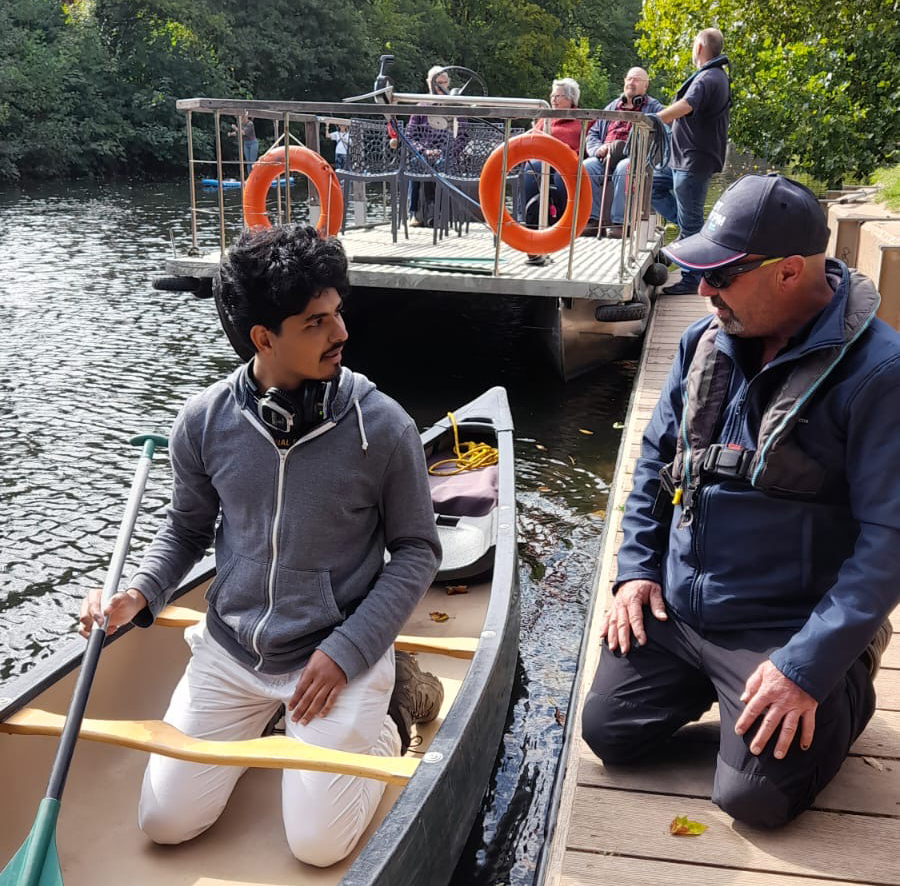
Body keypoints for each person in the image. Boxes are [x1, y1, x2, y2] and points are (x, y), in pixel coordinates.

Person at [80, 225, 444, 865]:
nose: (341, 334)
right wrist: (138, 591)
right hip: (231, 650)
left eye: (337, 313)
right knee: (163, 822)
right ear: (262, 337)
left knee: (318, 845)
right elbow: (187, 530)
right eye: (316, 322)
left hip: (333, 656)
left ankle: (390, 713)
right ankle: (272, 722)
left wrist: (351, 649)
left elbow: (417, 550)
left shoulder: (384, 427)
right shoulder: (202, 422)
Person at [581, 174, 899, 828]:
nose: (703, 291)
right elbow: (653, 466)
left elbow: (887, 543)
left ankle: (848, 675)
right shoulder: (703, 343)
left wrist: (807, 668)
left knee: (752, 801)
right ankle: (726, 697)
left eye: (721, 276)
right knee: (609, 733)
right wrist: (637, 569)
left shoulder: (880, 375)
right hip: (683, 606)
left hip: (782, 621)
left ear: (788, 273)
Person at [653, 28, 731, 294]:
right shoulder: (713, 75)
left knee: (691, 222)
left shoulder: (709, 77)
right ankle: (696, 231)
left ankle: (692, 279)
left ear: (699, 48)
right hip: (679, 159)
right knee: (652, 186)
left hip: (693, 161)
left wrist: (656, 118)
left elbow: (687, 105)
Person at [583, 68, 663, 236]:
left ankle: (621, 223)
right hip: (605, 156)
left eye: (636, 80)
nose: (631, 83)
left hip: (635, 157)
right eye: (629, 79)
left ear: (646, 86)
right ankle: (593, 219)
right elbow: (593, 133)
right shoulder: (612, 106)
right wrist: (599, 148)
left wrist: (628, 147)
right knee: (587, 166)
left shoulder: (654, 107)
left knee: (623, 168)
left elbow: (661, 136)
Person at [518, 77, 584, 228]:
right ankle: (529, 217)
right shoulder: (546, 118)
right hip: (543, 159)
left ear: (570, 99)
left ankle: (564, 220)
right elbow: (532, 134)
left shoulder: (581, 120)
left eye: (557, 96)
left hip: (567, 161)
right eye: (552, 96)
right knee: (532, 168)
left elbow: (583, 147)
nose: (553, 99)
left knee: (562, 176)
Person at [406, 65, 467, 226]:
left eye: (443, 83)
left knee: (442, 164)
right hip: (424, 153)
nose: (439, 87)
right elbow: (410, 136)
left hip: (447, 154)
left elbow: (463, 136)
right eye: (435, 83)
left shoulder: (456, 106)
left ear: (448, 84)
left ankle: (438, 214)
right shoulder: (421, 106)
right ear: (428, 83)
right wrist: (423, 150)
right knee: (417, 162)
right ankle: (415, 214)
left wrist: (446, 152)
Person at [230, 112, 258, 178]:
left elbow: (243, 133)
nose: (242, 119)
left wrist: (235, 127)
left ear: (245, 117)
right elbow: (238, 132)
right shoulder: (242, 124)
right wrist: (231, 134)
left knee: (252, 162)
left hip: (252, 143)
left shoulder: (250, 124)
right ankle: (250, 177)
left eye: (242, 118)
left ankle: (254, 177)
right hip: (246, 143)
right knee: (248, 162)